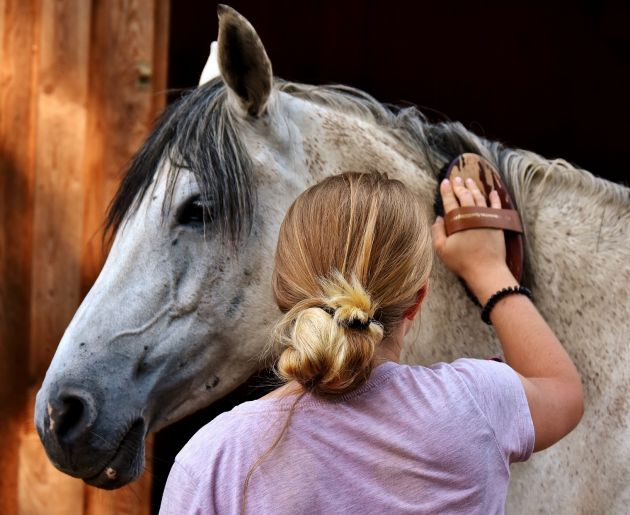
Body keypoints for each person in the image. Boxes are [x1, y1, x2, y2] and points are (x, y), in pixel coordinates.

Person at [159, 170, 583, 514]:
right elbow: (562, 390)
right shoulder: (474, 404)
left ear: (282, 293)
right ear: (418, 300)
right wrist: (489, 269)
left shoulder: (213, 462)